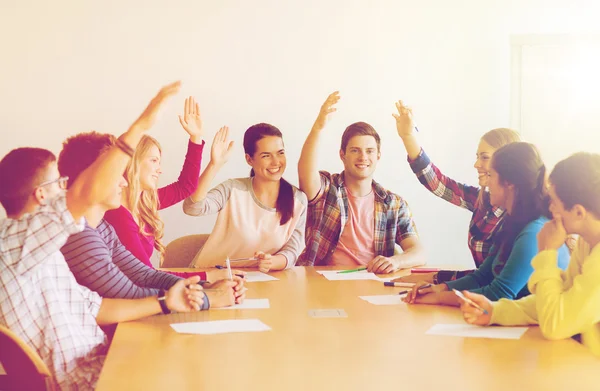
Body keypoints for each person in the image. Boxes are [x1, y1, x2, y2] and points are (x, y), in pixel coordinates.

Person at [0, 82, 208, 389]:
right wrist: (140, 127)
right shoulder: (13, 245)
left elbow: (97, 307)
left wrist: (168, 301)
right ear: (41, 196)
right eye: (59, 184)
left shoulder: (43, 252)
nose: (66, 190)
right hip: (86, 380)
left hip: (102, 360)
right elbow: (85, 191)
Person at [57, 131, 245, 305]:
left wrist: (205, 287)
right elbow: (128, 292)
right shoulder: (85, 233)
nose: (123, 180)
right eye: (154, 160)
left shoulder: (105, 227)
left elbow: (144, 275)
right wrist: (206, 296)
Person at [459, 152, 600, 357]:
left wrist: (547, 253)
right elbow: (555, 300)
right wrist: (495, 311)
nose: (549, 208)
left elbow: (555, 325)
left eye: (554, 202)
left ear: (578, 212)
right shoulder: (587, 243)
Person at [404, 142, 569, 305]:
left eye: (490, 175)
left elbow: (499, 294)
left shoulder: (534, 233)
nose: (487, 182)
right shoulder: (511, 222)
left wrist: (439, 298)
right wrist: (438, 289)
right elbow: (482, 277)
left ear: (509, 183)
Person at [104, 96, 239, 279]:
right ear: (133, 163)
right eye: (154, 161)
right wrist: (208, 277)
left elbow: (186, 187)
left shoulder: (145, 201)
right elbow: (146, 276)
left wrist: (196, 138)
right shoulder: (118, 214)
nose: (159, 170)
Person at [392, 101, 521, 284]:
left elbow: (496, 282)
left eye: (484, 157)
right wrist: (407, 136)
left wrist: (437, 281)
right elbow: (437, 183)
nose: (476, 164)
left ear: (508, 162)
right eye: (477, 157)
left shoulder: (523, 216)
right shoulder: (482, 200)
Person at [296, 92, 425, 273]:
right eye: (355, 150)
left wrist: (397, 261)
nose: (363, 157)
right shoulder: (327, 189)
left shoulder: (394, 204)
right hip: (323, 284)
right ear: (343, 155)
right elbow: (305, 172)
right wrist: (318, 128)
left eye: (370, 151)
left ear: (378, 156)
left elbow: (418, 253)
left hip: (371, 282)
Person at [184, 124, 307, 272]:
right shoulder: (232, 189)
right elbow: (192, 208)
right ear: (249, 159)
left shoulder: (298, 200)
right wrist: (214, 165)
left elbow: (293, 250)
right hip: (209, 275)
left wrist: (272, 262)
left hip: (257, 280)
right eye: (266, 155)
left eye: (280, 153)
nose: (276, 162)